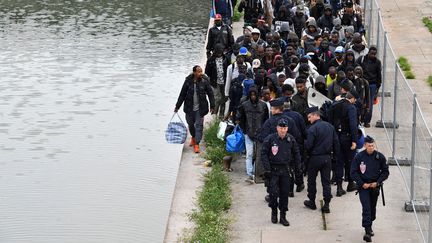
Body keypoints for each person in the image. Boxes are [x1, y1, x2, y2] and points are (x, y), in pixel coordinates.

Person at [261, 118, 301, 226]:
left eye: (284, 128)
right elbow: (263, 153)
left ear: (287, 128)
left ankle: (283, 216)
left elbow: (297, 154)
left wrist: (298, 170)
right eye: (281, 128)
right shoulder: (271, 139)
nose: (283, 130)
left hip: (285, 170)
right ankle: (274, 212)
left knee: (284, 194)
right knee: (273, 194)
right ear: (277, 128)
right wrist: (267, 168)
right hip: (273, 171)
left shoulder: (290, 139)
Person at [350, 135, 389, 242]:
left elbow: (385, 172)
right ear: (364, 146)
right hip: (363, 187)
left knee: (372, 208)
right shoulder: (359, 157)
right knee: (366, 207)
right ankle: (367, 231)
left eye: (372, 145)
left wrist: (377, 182)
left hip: (374, 187)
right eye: (369, 146)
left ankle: (370, 223)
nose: (371, 148)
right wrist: (362, 184)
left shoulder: (379, 157)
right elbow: (353, 172)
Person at [303, 106, 340, 213]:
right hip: (327, 158)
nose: (308, 119)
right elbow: (336, 143)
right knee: (326, 182)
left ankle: (312, 201)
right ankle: (327, 204)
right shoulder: (330, 127)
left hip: (314, 158)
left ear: (316, 115)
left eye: (309, 117)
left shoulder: (312, 129)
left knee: (311, 181)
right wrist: (335, 158)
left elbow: (309, 146)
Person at [174, 66, 215, 153]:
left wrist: (212, 105)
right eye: (199, 72)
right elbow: (182, 94)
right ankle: (193, 137)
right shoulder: (188, 81)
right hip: (189, 108)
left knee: (199, 126)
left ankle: (197, 144)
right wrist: (177, 106)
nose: (201, 73)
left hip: (200, 109)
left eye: (201, 71)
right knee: (190, 124)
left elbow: (210, 94)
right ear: (194, 72)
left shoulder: (205, 81)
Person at [237, 86, 270, 182]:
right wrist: (244, 130)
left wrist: (264, 131)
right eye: (251, 95)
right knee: (250, 153)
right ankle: (250, 172)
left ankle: (256, 172)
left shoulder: (263, 106)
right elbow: (240, 118)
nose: (253, 97)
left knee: (259, 154)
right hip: (248, 132)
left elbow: (266, 119)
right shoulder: (244, 105)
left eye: (254, 95)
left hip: (260, 133)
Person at [328, 91, 358, 196]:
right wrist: (354, 140)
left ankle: (339, 187)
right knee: (350, 161)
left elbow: (330, 121)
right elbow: (353, 125)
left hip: (336, 137)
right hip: (347, 137)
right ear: (352, 98)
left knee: (339, 162)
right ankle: (350, 183)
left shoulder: (334, 105)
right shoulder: (351, 108)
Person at [357, 46, 382, 128]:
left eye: (374, 54)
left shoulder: (377, 62)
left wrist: (377, 87)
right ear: (368, 53)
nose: (373, 55)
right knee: (360, 101)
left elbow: (379, 75)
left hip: (372, 85)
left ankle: (367, 121)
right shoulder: (362, 59)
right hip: (362, 83)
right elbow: (356, 67)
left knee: (369, 103)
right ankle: (359, 119)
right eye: (371, 53)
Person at [205, 44, 230, 120]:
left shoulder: (226, 59)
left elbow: (228, 69)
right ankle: (214, 114)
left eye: (220, 52)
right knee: (216, 98)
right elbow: (207, 71)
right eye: (218, 52)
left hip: (224, 82)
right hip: (215, 82)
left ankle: (221, 115)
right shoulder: (210, 60)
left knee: (224, 98)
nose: (219, 54)